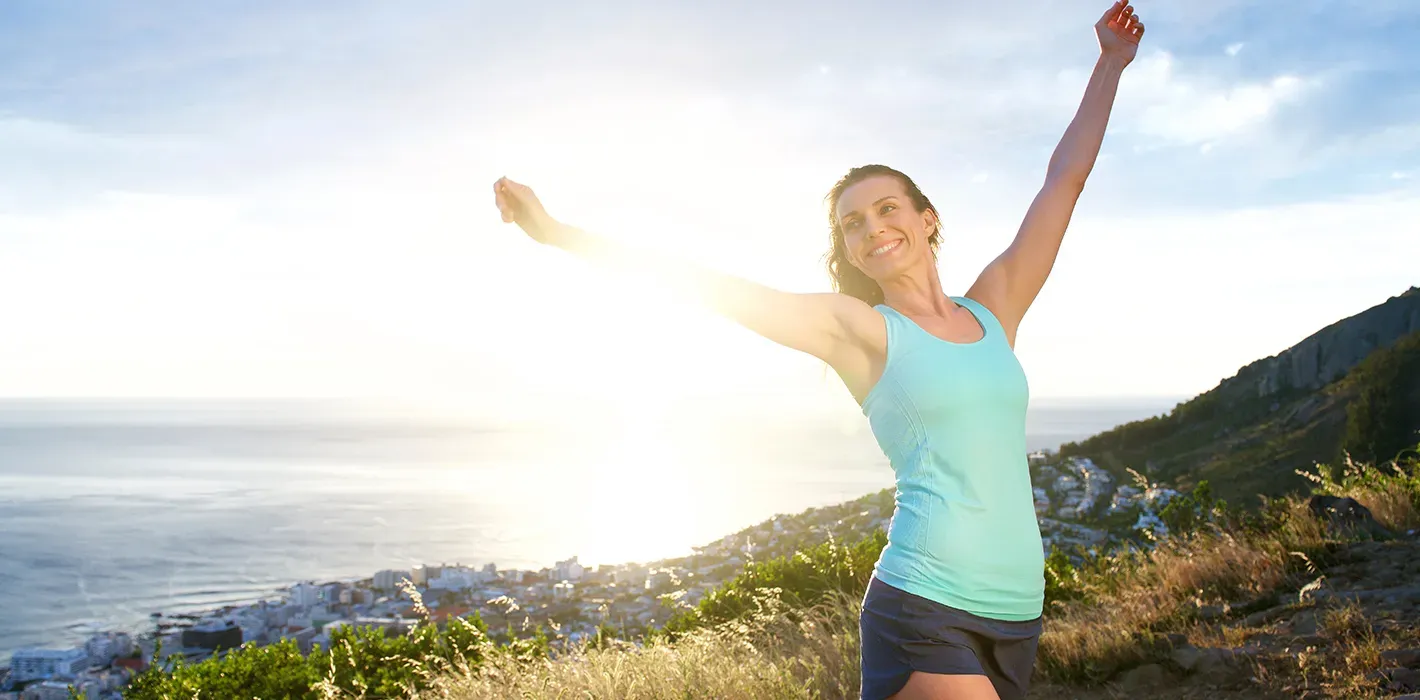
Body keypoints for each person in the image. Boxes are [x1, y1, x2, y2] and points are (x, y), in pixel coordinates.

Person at [492, 3, 1145, 697]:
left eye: (887, 209)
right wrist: (560, 235)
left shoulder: (995, 307)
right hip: (926, 606)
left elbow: (1063, 183)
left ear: (927, 220)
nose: (873, 228)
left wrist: (1109, 64)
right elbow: (718, 289)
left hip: (1016, 615)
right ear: (852, 252)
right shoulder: (859, 330)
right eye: (853, 224)